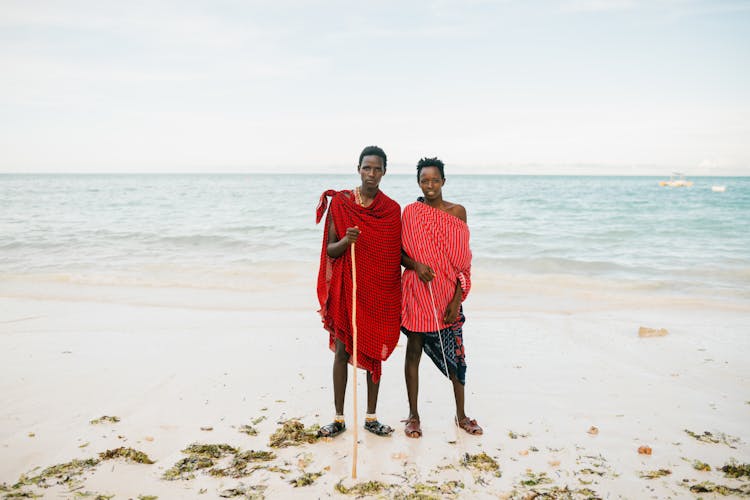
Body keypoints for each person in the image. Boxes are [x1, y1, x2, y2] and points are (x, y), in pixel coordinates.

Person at [315, 145, 402, 438]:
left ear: (384, 173)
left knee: (374, 352)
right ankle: (338, 419)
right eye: (367, 167)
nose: (372, 174)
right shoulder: (340, 204)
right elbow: (330, 249)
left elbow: (392, 254)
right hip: (347, 287)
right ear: (358, 169)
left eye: (377, 169)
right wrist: (347, 241)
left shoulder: (391, 210)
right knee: (341, 350)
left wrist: (416, 265)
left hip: (376, 291)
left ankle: (371, 417)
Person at [400, 157, 482, 438]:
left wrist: (457, 300)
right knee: (413, 350)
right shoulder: (410, 213)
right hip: (417, 291)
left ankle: (461, 415)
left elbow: (463, 262)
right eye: (425, 180)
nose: (430, 185)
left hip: (448, 294)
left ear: (444, 182)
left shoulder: (457, 212)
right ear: (418, 182)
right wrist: (415, 265)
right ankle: (413, 416)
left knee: (457, 356)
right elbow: (399, 254)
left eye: (435, 180)